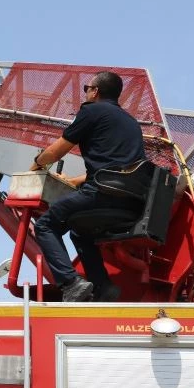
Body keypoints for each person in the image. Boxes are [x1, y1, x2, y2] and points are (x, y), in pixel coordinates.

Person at [29, 71, 146, 302]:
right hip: (132, 203)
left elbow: (56, 151)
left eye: (87, 88)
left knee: (45, 225)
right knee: (80, 231)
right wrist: (74, 181)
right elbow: (118, 166)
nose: (86, 93)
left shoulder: (91, 111)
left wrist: (36, 165)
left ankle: (71, 283)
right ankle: (103, 287)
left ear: (95, 91)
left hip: (102, 195)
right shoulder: (132, 123)